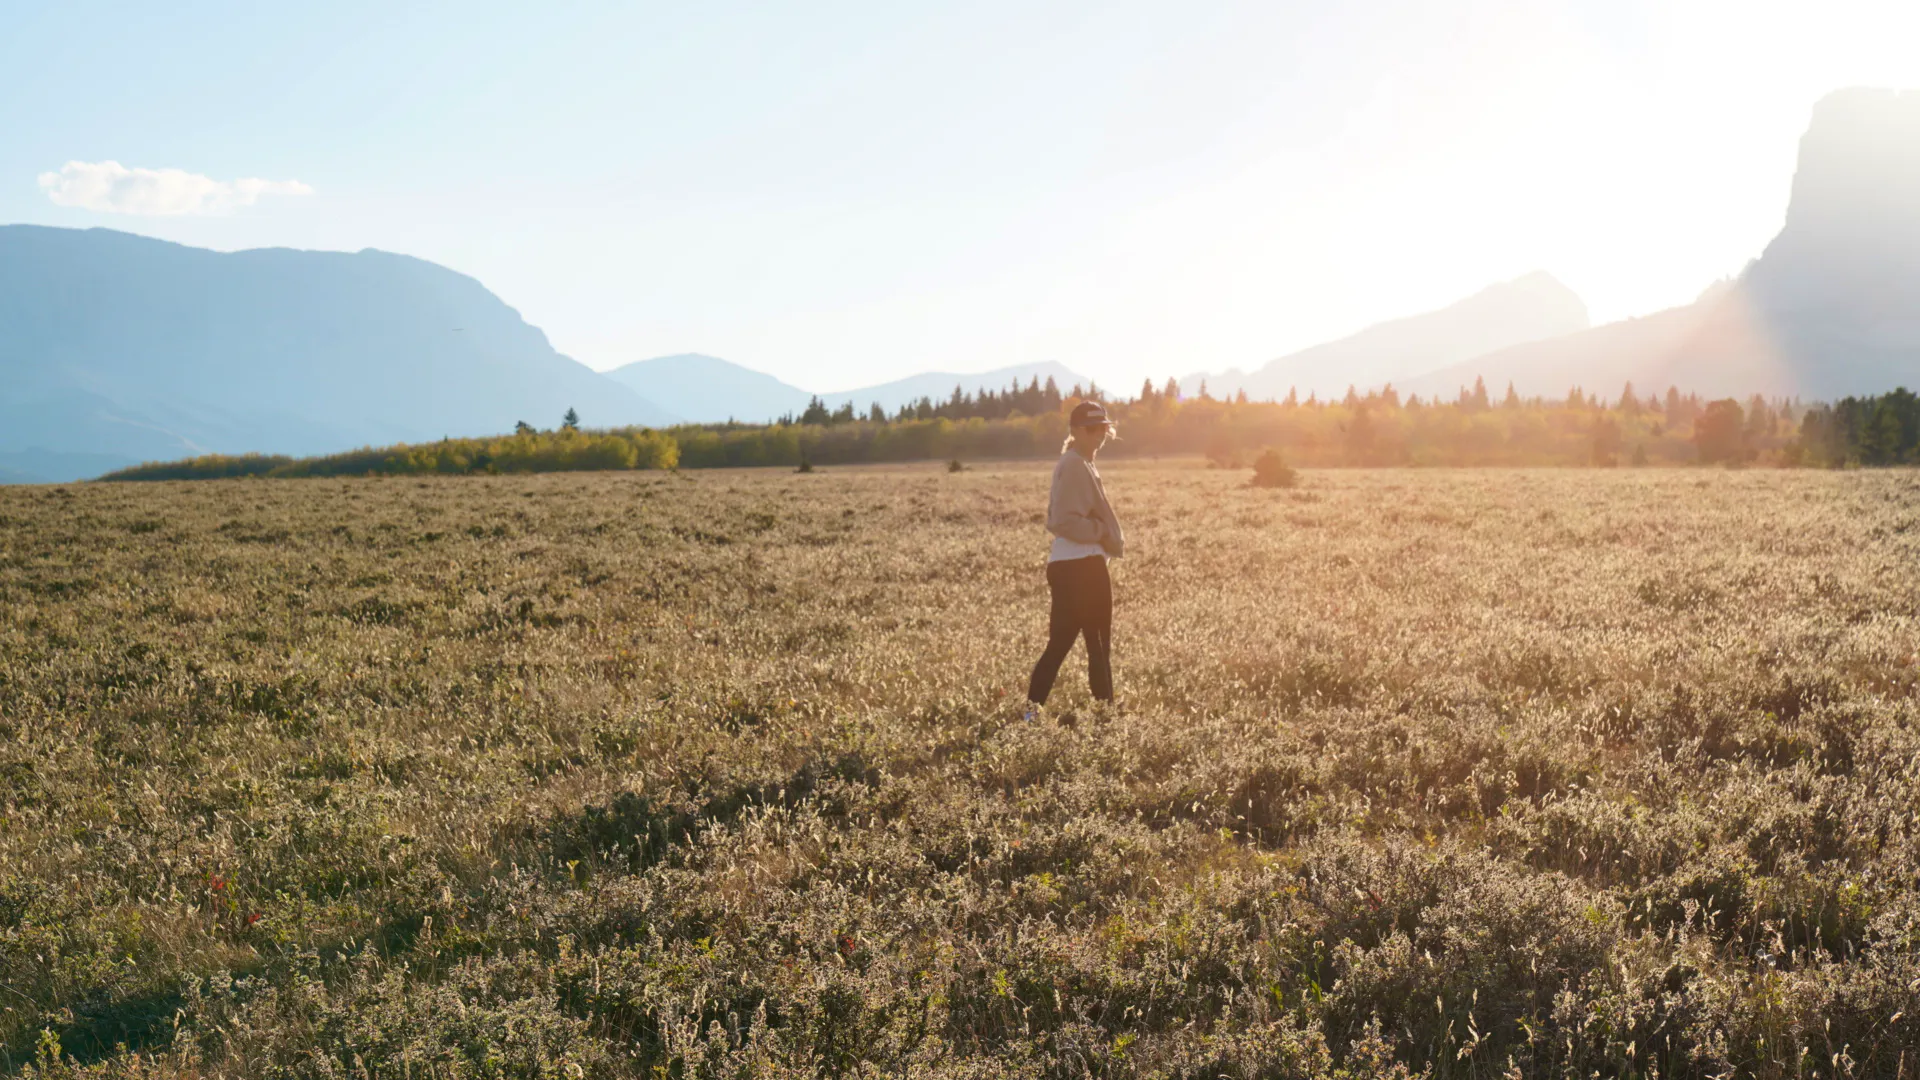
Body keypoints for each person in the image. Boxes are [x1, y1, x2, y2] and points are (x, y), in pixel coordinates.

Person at [1026, 400, 1125, 714]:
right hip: (1083, 568)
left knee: (1058, 647)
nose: (1100, 435)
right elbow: (1063, 520)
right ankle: (1106, 724)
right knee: (1097, 648)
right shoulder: (1074, 463)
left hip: (1069, 565)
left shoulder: (1078, 462)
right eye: (1093, 429)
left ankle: (1030, 715)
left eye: (1104, 429)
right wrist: (1100, 530)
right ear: (1075, 431)